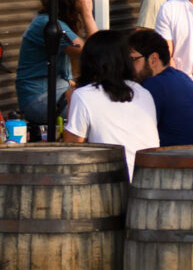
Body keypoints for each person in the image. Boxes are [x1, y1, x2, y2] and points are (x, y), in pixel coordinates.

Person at [62, 30, 159, 178]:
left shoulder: (83, 96)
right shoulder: (144, 93)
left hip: (112, 185)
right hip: (149, 181)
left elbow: (71, 151)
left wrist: (70, 104)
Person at [18, 0, 96, 131]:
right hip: (39, 99)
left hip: (56, 91)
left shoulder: (58, 23)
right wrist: (87, 14)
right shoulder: (49, 24)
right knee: (95, 111)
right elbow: (98, 52)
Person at [127, 29, 193, 146]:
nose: (127, 67)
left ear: (153, 59)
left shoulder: (155, 85)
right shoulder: (178, 77)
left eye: (132, 60)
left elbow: (135, 133)